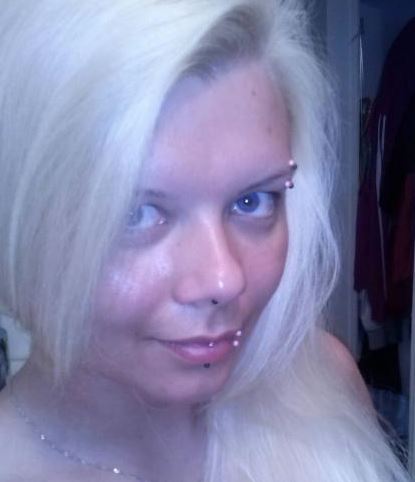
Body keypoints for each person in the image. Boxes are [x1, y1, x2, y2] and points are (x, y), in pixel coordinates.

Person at [0, 0, 409, 481]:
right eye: (137, 213)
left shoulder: (327, 383)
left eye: (253, 201)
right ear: (23, 222)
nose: (224, 279)